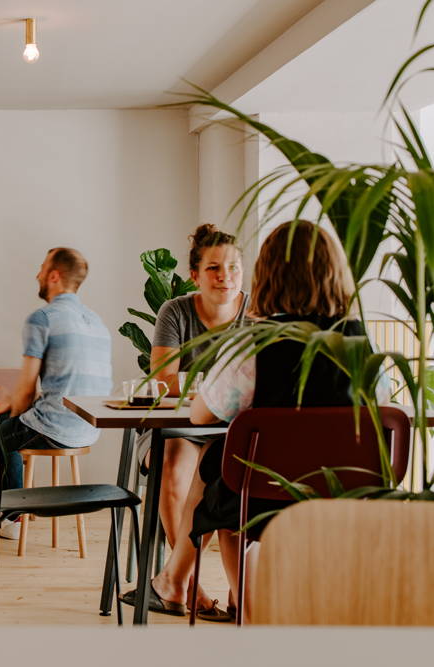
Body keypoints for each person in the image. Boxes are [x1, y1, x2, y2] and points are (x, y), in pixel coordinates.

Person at [122, 220, 363, 620]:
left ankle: (225, 601)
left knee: (224, 481)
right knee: (218, 465)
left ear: (266, 274)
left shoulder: (259, 341)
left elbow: (202, 413)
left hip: (264, 491)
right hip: (345, 492)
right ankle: (193, 587)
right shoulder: (359, 343)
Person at [0, 247, 112, 540]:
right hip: (89, 429)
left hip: (54, 427)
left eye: (41, 268)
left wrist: (15, 402)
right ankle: (9, 516)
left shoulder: (43, 318)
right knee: (8, 434)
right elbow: (69, 388)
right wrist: (17, 404)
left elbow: (26, 394)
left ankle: (8, 512)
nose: (36, 274)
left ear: (54, 276)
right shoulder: (97, 322)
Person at [147, 223, 247, 616]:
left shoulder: (254, 314)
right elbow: (162, 381)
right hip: (185, 425)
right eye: (214, 268)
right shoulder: (176, 311)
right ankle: (190, 581)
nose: (225, 277)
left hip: (233, 429)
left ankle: (177, 580)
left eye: (234, 268)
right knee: (172, 470)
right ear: (195, 275)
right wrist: (215, 388)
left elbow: (180, 381)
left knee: (226, 479)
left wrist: (195, 384)